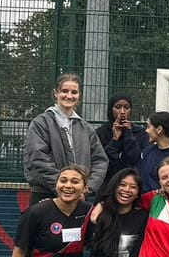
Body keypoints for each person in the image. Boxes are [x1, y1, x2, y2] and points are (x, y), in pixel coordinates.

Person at [24, 73, 107, 202]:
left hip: (79, 198)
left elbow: (100, 161)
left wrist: (86, 189)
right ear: (56, 93)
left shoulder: (86, 128)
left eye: (74, 92)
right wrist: (65, 187)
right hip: (45, 195)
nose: (69, 96)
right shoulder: (40, 123)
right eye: (64, 91)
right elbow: (38, 158)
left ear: (79, 96)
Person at [95, 93, 148, 188]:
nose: (122, 111)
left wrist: (128, 134)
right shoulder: (101, 132)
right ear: (111, 109)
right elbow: (104, 162)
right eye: (118, 107)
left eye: (126, 107)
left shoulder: (140, 133)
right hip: (107, 183)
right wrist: (115, 140)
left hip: (132, 184)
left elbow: (136, 159)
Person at [137, 112, 169, 193]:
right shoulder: (145, 153)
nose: (146, 130)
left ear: (159, 129)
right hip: (145, 203)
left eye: (148, 127)